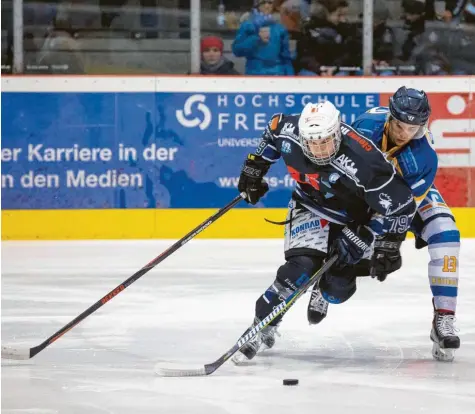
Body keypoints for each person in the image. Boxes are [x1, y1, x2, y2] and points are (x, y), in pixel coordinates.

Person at [233, 100, 417, 363]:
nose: (318, 150)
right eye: (312, 143)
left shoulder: (364, 160)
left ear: (338, 133)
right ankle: (263, 325)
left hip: (354, 220)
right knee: (299, 269)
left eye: (325, 142)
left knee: (337, 290)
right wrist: (254, 168)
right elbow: (273, 130)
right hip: (311, 207)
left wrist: (381, 239)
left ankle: (324, 290)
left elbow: (403, 206)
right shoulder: (290, 129)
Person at [308, 87, 461, 362]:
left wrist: (386, 238)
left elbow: (406, 206)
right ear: (391, 116)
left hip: (406, 196)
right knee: (343, 264)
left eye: (414, 128)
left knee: (446, 233)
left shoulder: (424, 155)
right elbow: (346, 183)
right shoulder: (365, 126)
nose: (406, 134)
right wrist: (357, 230)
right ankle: (324, 283)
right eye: (401, 125)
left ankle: (444, 318)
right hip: (363, 195)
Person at [232, 0, 294, 75]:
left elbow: (286, 58)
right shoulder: (248, 25)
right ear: (257, 5)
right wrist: (256, 39)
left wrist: (290, 78)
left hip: (276, 75)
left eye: (270, 3)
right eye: (263, 2)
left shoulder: (280, 29)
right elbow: (237, 50)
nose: (266, 6)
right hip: (255, 75)